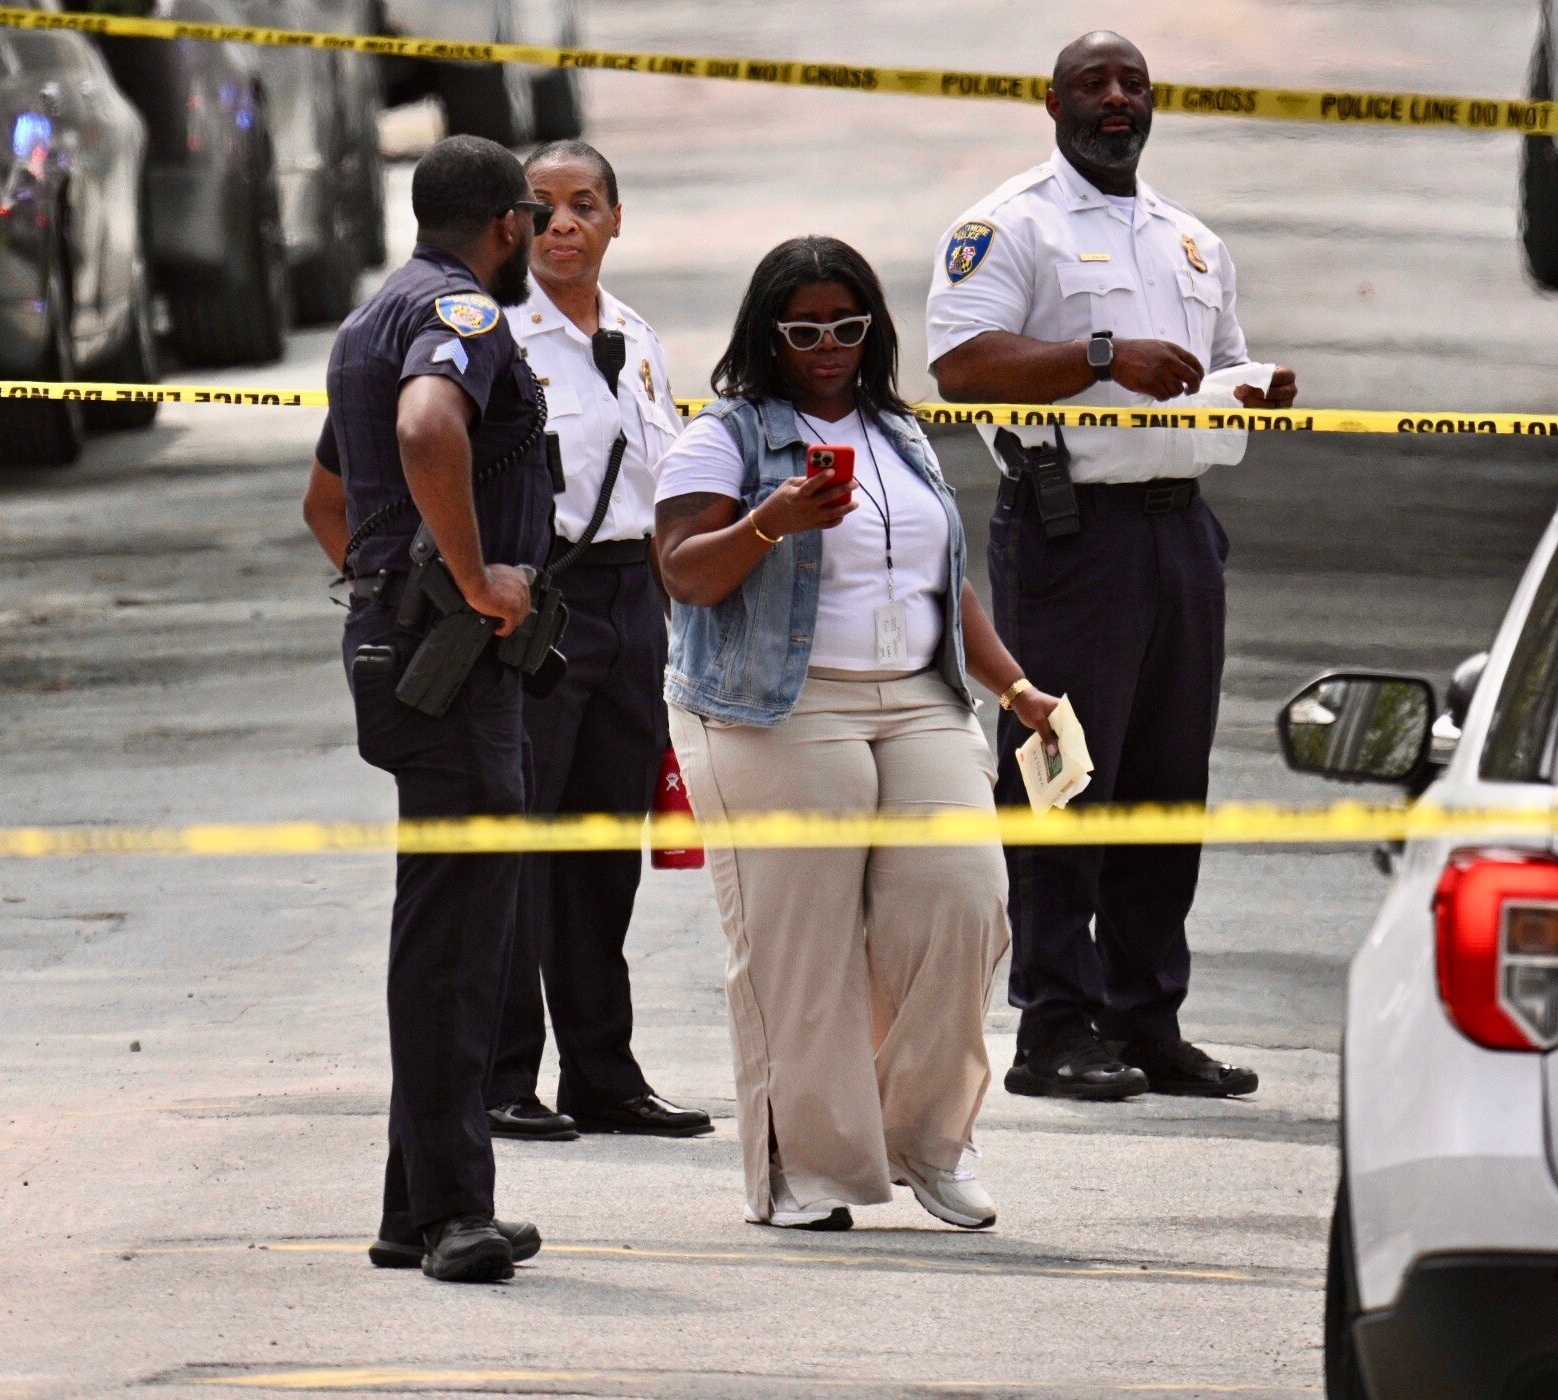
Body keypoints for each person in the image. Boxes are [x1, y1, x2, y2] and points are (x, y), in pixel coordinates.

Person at [654, 236, 1061, 1232]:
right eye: (804, 330)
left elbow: (941, 577)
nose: (828, 346)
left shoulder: (901, 432)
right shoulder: (728, 435)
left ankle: (929, 1142)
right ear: (770, 336)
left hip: (921, 699)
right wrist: (772, 520)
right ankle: (805, 1169)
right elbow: (681, 571)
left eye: (848, 326)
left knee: (965, 908)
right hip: (773, 708)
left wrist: (1014, 688)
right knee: (803, 946)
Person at [928, 31, 1296, 1106]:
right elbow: (961, 366)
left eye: (1132, 83)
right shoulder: (1009, 227)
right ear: (1052, 104)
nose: (1116, 99)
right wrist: (1100, 358)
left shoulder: (1189, 241)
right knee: (1064, 771)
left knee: (1167, 784)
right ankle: (1054, 1023)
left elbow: (1222, 356)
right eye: (1093, 84)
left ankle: (1147, 1017)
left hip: (1181, 533)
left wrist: (1250, 383)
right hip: (1071, 533)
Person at [299, 134, 557, 1285]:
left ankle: (416, 1207)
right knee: (460, 947)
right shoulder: (463, 318)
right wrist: (468, 579)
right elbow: (422, 432)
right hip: (448, 661)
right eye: (536, 223)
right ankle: (458, 1213)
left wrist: (388, 589)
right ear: (510, 222)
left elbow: (323, 500)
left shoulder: (372, 318)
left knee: (443, 927)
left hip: (404, 650)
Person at [487, 139, 713, 1144]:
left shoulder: (637, 335)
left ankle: (601, 1070)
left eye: (585, 205)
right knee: (523, 849)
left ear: (617, 220)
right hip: (542, 599)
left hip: (634, 602)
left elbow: (660, 485)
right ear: (513, 225)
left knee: (602, 848)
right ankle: (498, 1074)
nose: (564, 224)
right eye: (542, 207)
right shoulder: (494, 336)